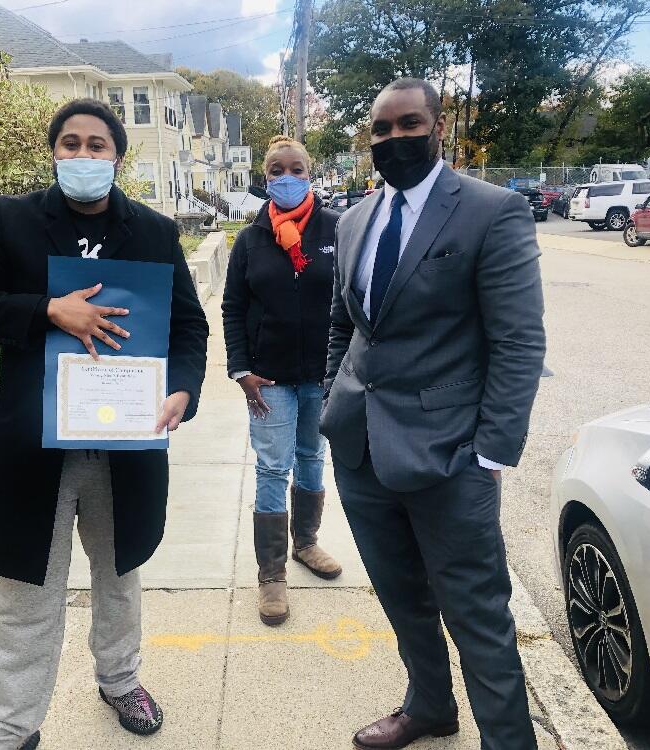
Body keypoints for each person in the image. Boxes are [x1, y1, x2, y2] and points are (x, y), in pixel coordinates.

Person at [0, 98, 209, 750]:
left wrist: (182, 390)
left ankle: (120, 680)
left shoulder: (153, 231)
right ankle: (12, 729)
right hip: (36, 447)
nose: (83, 156)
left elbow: (189, 327)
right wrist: (47, 311)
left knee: (119, 579)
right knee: (29, 595)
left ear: (117, 156)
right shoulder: (12, 222)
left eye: (96, 146)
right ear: (54, 151)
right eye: (70, 144)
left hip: (125, 446)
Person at [320, 78, 546, 749]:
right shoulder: (357, 218)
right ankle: (429, 706)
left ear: (438, 127)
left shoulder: (491, 211)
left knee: (477, 617)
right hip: (361, 451)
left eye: (408, 124)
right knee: (401, 598)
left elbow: (519, 340)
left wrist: (492, 453)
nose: (394, 139)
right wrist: (335, 402)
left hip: (451, 458)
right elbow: (345, 324)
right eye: (381, 130)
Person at [222, 135, 342, 626]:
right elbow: (233, 307)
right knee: (273, 467)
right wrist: (241, 369)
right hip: (267, 378)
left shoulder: (337, 229)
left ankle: (306, 544)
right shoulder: (250, 240)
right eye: (277, 171)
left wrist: (345, 368)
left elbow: (353, 301)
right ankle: (270, 573)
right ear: (265, 177)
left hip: (322, 375)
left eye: (296, 169)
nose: (286, 177)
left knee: (314, 456)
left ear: (309, 173)